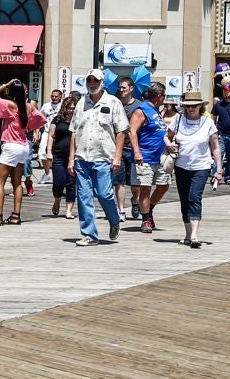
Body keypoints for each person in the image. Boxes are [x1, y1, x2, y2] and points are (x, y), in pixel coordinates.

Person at [67, 69, 126, 246]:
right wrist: (71, 159)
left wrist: (117, 157)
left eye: (95, 80)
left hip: (104, 156)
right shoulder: (80, 104)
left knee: (104, 194)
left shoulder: (113, 102)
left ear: (102, 82)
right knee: (84, 197)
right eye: (89, 81)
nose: (92, 84)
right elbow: (73, 132)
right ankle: (89, 235)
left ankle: (114, 220)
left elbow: (121, 131)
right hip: (82, 157)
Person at [164, 91, 222, 248]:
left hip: (201, 166)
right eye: (188, 106)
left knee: (194, 197)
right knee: (184, 200)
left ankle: (195, 235)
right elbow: (167, 136)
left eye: (194, 106)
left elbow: (215, 147)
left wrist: (219, 169)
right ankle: (188, 234)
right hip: (181, 166)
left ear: (200, 106)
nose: (191, 109)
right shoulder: (179, 119)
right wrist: (169, 145)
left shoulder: (208, 122)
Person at [0, 78, 45, 226]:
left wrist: (4, 84)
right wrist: (30, 127)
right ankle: (16, 215)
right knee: (17, 182)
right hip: (23, 146)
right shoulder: (29, 106)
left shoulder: (10, 105)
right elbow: (42, 119)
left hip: (11, 146)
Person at [127, 82, 169, 233]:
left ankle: (148, 209)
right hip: (145, 156)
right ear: (159, 96)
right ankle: (146, 220)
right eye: (164, 96)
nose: (165, 98)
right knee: (145, 187)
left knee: (164, 185)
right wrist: (137, 152)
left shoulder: (156, 111)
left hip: (161, 157)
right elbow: (132, 131)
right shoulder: (141, 110)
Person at [45, 91, 79, 219]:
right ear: (65, 107)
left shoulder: (78, 120)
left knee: (71, 183)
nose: (71, 110)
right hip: (58, 155)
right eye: (69, 108)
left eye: (73, 108)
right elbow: (51, 136)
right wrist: (48, 152)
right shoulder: (58, 119)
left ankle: (69, 210)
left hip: (74, 156)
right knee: (59, 183)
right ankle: (57, 201)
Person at [115, 77, 142, 220]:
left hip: (132, 148)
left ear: (131, 88)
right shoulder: (115, 103)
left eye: (124, 88)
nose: (121, 90)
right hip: (117, 148)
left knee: (134, 182)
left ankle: (135, 200)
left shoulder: (139, 106)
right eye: (120, 88)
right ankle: (121, 210)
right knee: (119, 181)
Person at [37, 88, 63, 184]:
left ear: (60, 97)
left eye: (56, 96)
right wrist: (37, 131)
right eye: (52, 96)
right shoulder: (46, 106)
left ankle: (58, 175)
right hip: (47, 133)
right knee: (42, 154)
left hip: (59, 134)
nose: (54, 98)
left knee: (58, 156)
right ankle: (47, 174)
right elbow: (40, 118)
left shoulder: (63, 106)